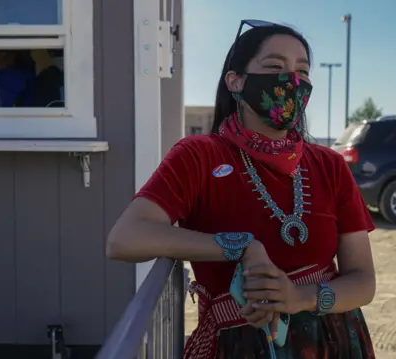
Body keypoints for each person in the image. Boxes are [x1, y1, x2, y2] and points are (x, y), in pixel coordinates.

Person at [107, 20, 377, 359]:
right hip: (240, 347)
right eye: (275, 67)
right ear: (236, 81)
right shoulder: (199, 155)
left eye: (303, 71)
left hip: (332, 342)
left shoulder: (329, 165)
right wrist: (240, 245)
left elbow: (363, 281)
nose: (292, 80)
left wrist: (300, 297)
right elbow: (125, 238)